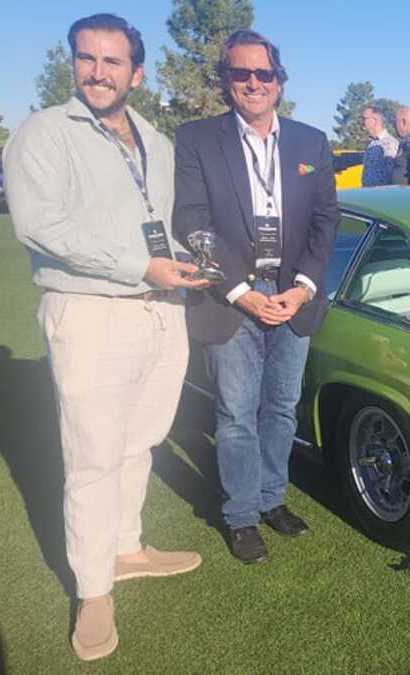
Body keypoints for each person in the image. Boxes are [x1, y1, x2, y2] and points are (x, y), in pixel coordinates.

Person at [3, 13, 207, 662]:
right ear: (73, 64)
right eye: (87, 59)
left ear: (136, 74)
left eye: (112, 62)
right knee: (92, 458)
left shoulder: (156, 139)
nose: (97, 71)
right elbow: (41, 227)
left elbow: (166, 224)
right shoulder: (42, 134)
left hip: (160, 311)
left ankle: (126, 547)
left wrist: (189, 265)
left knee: (139, 441)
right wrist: (138, 265)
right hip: (91, 313)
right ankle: (93, 588)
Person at [172, 29, 337, 565]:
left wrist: (302, 287)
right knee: (236, 413)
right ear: (226, 81)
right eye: (241, 73)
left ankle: (272, 499)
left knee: (281, 409)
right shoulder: (197, 139)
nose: (253, 83)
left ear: (279, 82)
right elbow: (192, 222)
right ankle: (241, 516)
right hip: (230, 297)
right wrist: (239, 291)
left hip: (294, 296)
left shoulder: (311, 143)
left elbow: (325, 221)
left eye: (263, 74)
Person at [360, 105, 398, 186]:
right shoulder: (371, 144)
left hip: (382, 196)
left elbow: (392, 175)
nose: (362, 122)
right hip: (368, 195)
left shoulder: (389, 143)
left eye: (364, 118)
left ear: (375, 120)